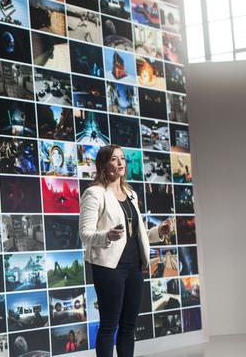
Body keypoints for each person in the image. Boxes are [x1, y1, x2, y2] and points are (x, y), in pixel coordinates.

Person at [79, 144, 173, 357]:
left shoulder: (130, 194)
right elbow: (85, 233)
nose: (121, 162)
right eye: (114, 159)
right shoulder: (94, 193)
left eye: (122, 158)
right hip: (110, 268)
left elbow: (136, 234)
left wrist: (160, 231)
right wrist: (106, 236)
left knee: (129, 326)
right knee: (109, 326)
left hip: (135, 266)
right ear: (104, 164)